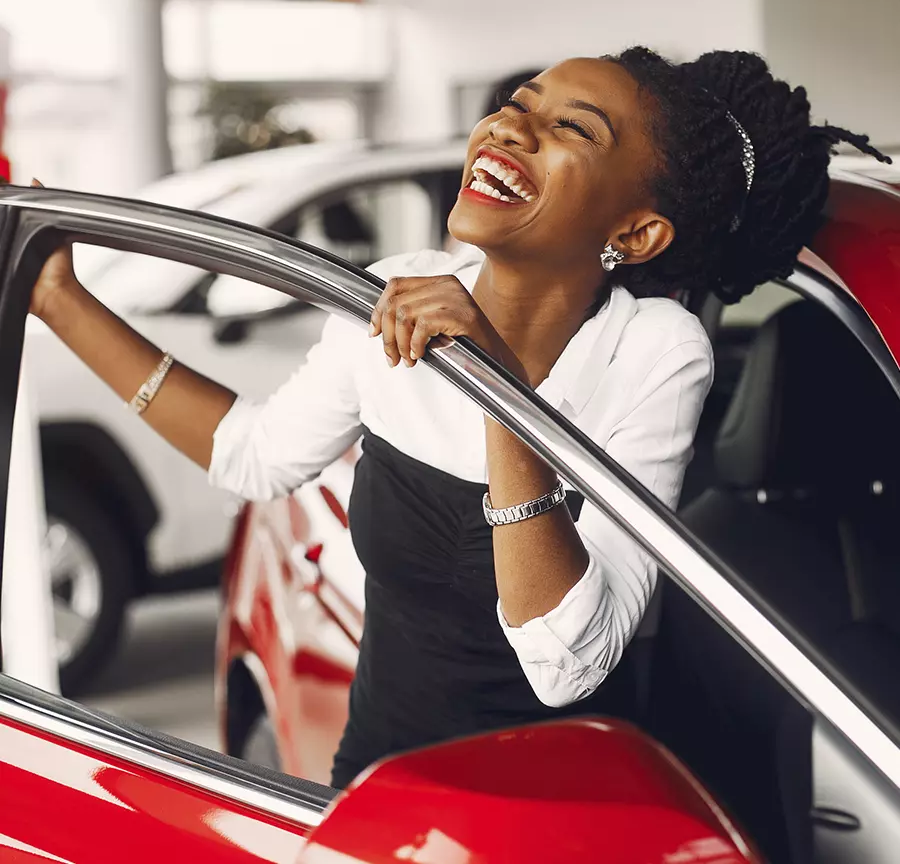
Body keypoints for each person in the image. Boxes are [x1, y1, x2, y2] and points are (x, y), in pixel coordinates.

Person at [29, 48, 890, 790]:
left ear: (635, 234)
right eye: (519, 108)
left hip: (563, 810)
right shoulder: (398, 285)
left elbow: (567, 663)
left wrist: (494, 385)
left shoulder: (657, 352)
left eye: (574, 130)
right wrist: (62, 302)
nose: (512, 130)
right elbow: (254, 456)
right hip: (380, 790)